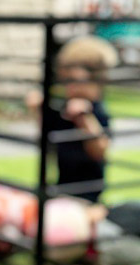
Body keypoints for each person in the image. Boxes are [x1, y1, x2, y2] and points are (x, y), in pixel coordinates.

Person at [27, 36, 119, 204]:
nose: (70, 87)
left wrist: (84, 118)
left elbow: (100, 151)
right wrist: (38, 110)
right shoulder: (64, 109)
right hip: (62, 190)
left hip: (88, 196)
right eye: (68, 81)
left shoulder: (96, 110)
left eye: (75, 82)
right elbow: (49, 142)